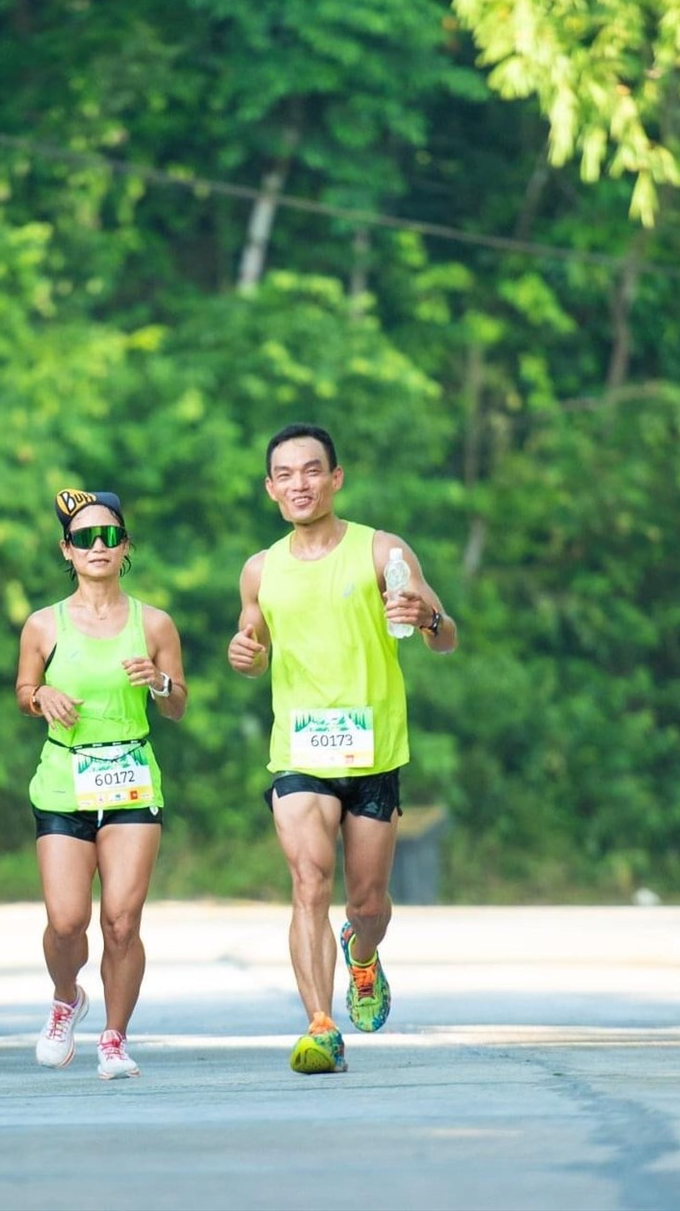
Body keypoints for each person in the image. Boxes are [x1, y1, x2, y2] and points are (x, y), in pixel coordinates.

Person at [226, 424, 457, 1074]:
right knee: (308, 881)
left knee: (369, 903)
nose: (299, 483)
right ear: (271, 487)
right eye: (285, 473)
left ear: (335, 477)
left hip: (374, 752)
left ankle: (363, 952)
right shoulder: (259, 568)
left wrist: (428, 619)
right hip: (298, 750)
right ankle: (320, 1024)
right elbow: (251, 645)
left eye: (311, 470)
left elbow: (446, 636)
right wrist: (244, 654)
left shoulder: (382, 550)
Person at [15, 488, 187, 1080]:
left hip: (132, 780)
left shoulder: (155, 623)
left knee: (121, 919)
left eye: (108, 537)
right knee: (67, 921)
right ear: (67, 549)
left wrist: (160, 683)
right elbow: (22, 691)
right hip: (65, 780)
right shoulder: (43, 624)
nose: (97, 546)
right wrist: (41, 696)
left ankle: (114, 1037)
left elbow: (177, 705)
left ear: (125, 547)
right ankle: (67, 997)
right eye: (84, 538)